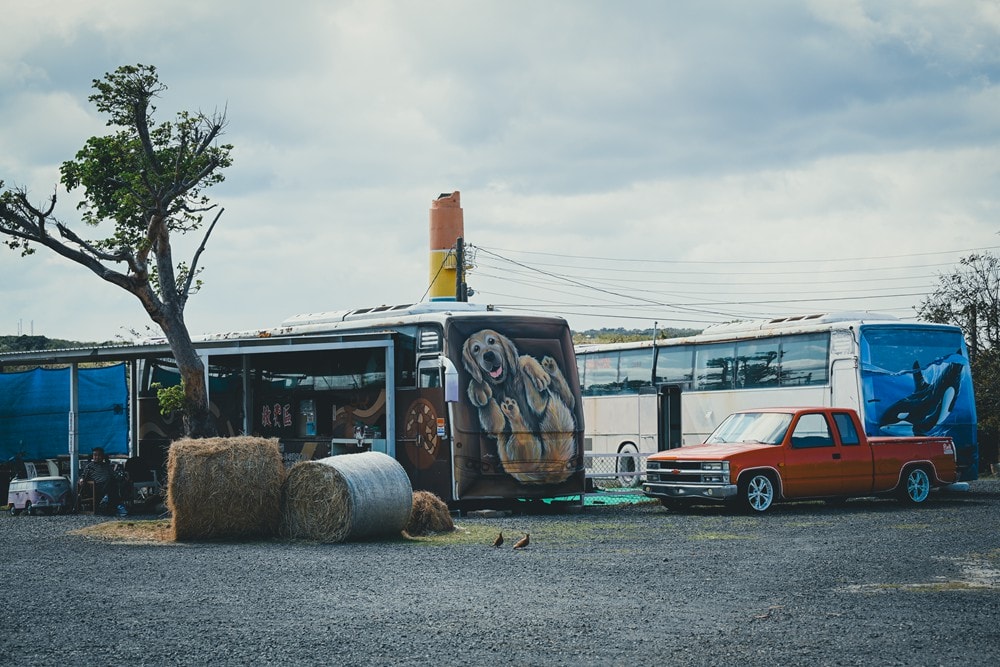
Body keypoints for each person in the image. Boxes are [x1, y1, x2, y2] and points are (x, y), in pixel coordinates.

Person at [79, 447, 127, 516]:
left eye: (99, 455)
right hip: (97, 487)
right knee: (112, 485)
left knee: (113, 483)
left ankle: (111, 506)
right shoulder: (90, 466)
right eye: (95, 455)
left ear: (102, 457)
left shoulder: (107, 466)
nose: (97, 457)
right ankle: (115, 506)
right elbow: (83, 475)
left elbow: (114, 475)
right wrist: (81, 479)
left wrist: (123, 477)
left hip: (109, 485)